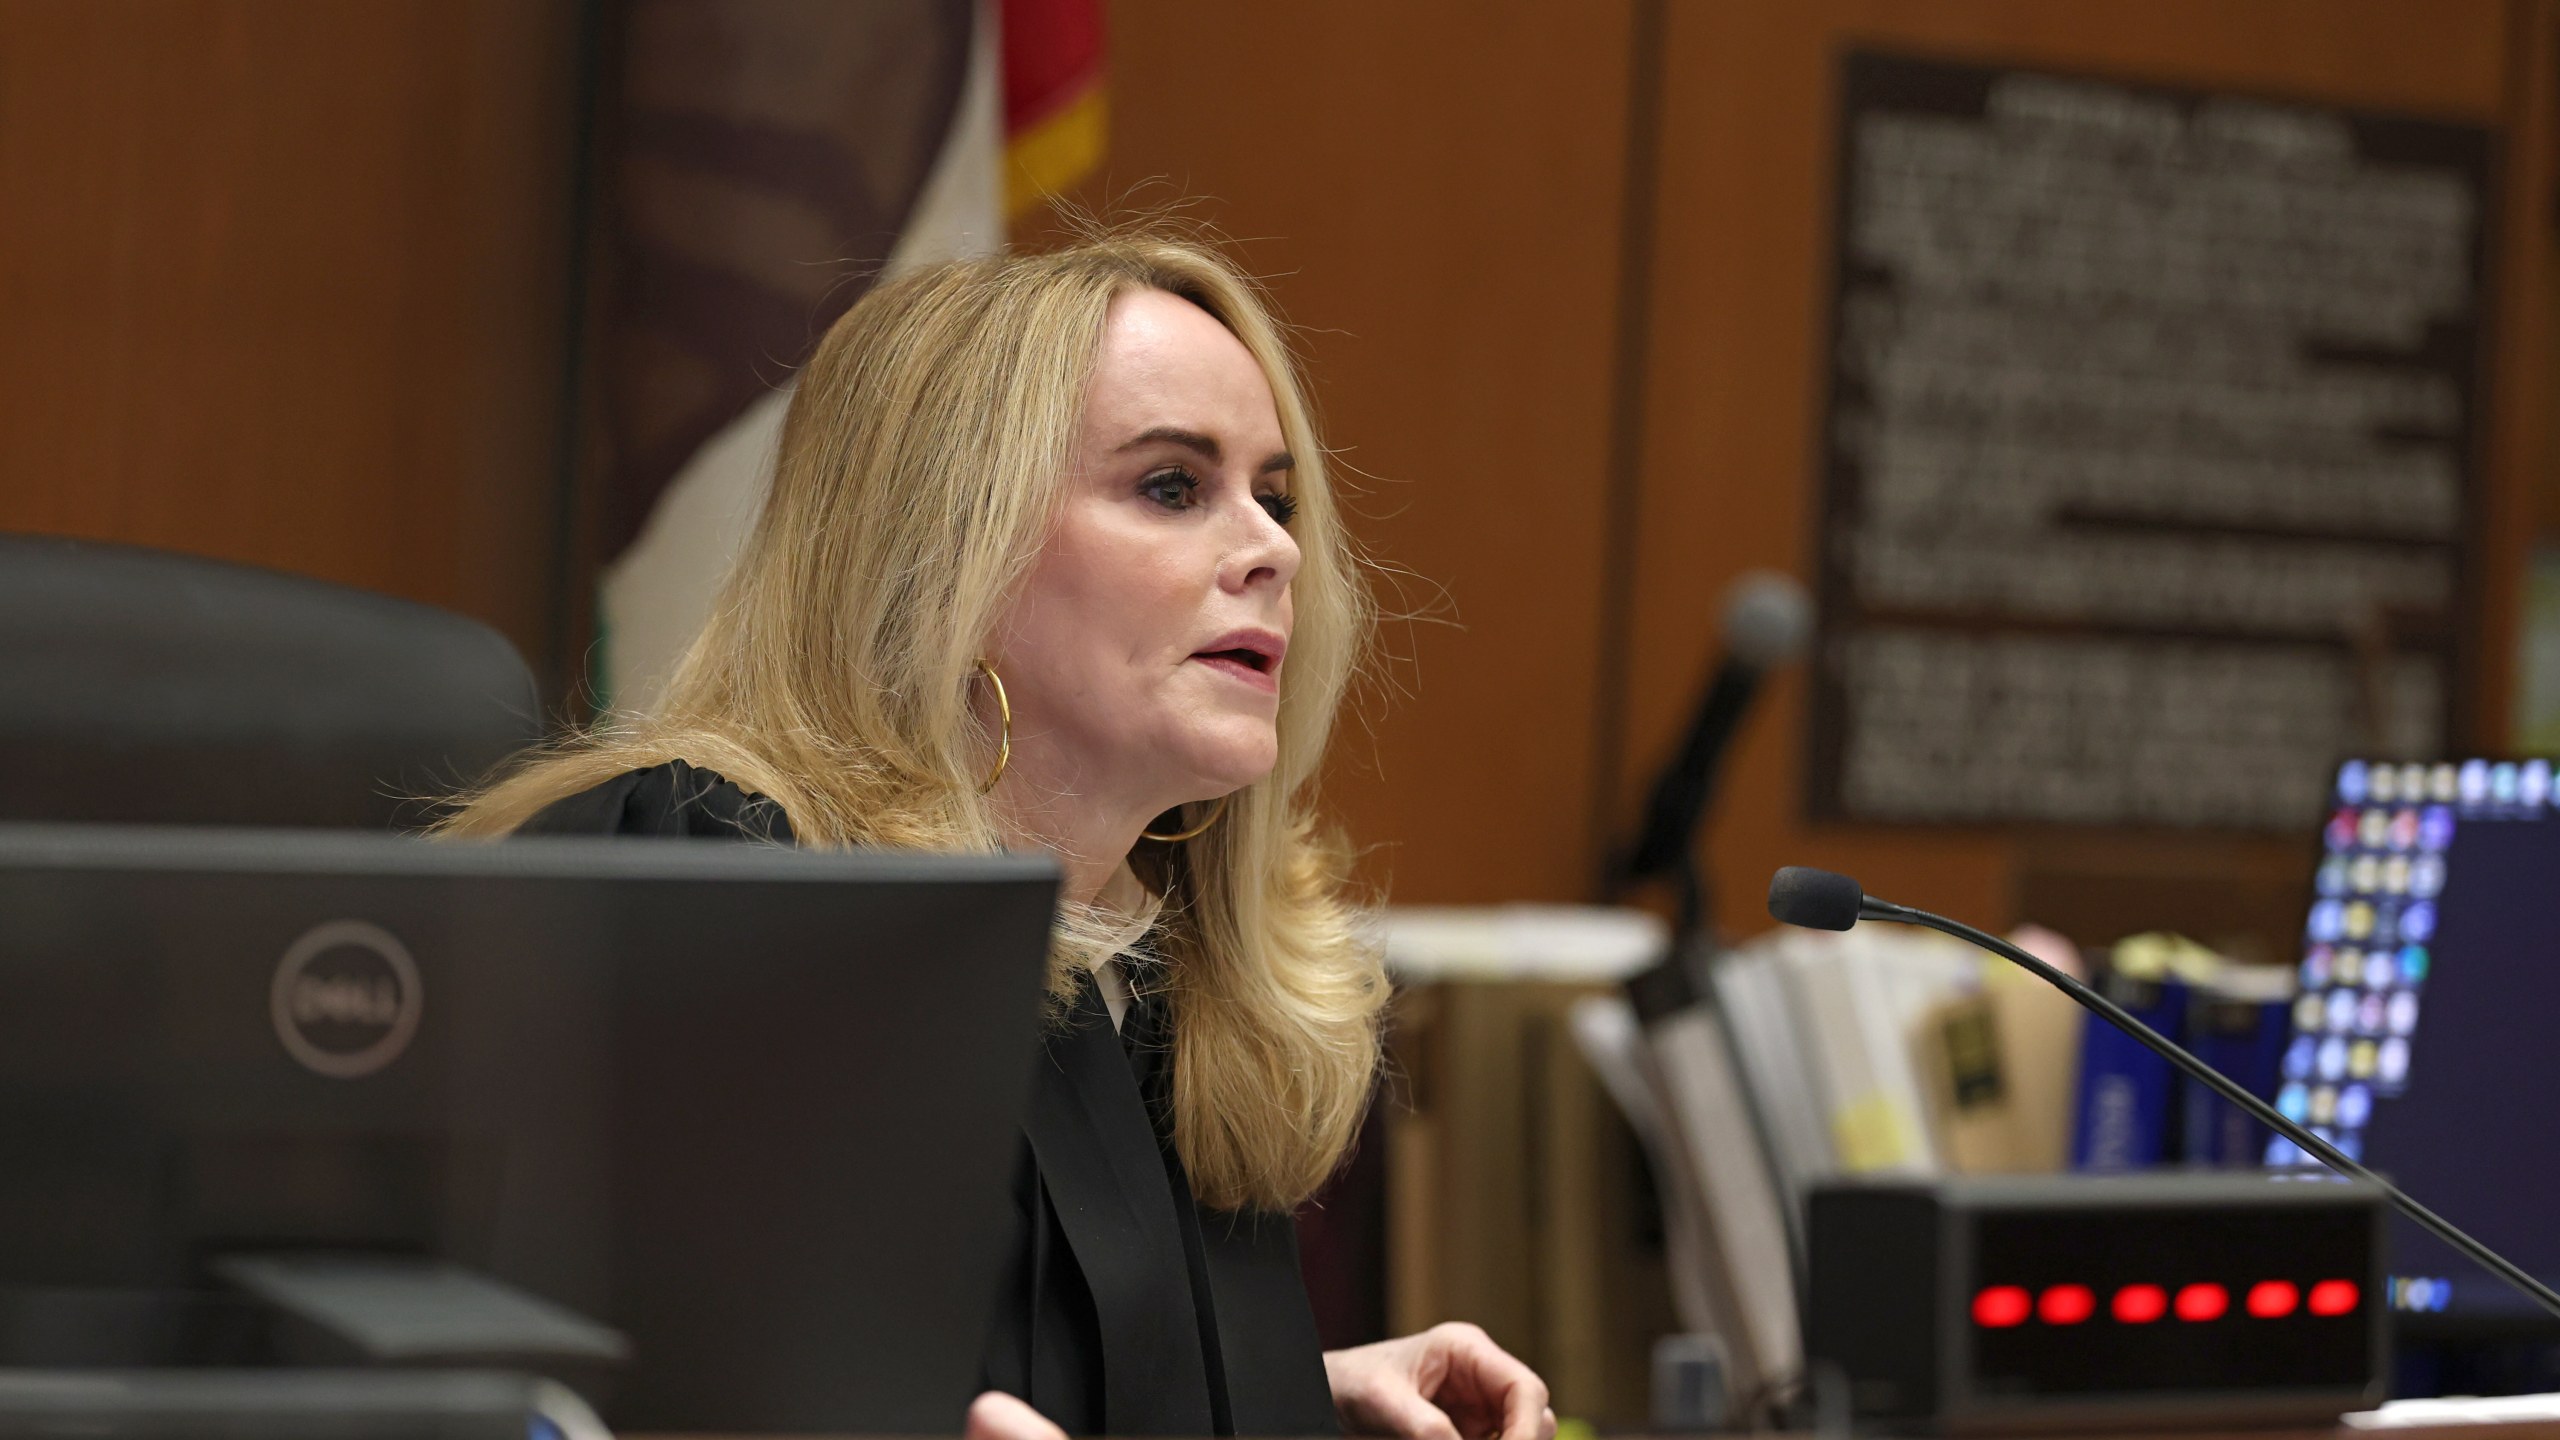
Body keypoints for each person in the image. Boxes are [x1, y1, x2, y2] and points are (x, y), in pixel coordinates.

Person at [439, 229, 1554, 1440]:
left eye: (1274, 499)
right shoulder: (717, 871)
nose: (1275, 549)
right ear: (947, 556)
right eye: (1172, 486)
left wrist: (1289, 1394)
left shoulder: (1170, 974)